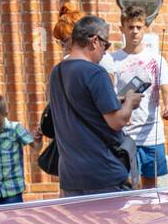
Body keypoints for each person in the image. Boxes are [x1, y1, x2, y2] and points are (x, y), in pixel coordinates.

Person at [46, 15, 144, 196]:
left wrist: (117, 101)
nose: (105, 52)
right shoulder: (95, 72)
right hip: (102, 173)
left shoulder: (56, 72)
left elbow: (82, 107)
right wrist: (129, 101)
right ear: (94, 41)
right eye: (105, 45)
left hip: (70, 176)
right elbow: (117, 121)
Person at [101, 5, 168, 189]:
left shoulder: (156, 59)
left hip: (152, 134)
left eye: (139, 27)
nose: (134, 31)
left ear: (145, 28)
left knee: (151, 186)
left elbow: (167, 90)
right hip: (126, 134)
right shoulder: (112, 60)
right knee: (129, 185)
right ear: (122, 29)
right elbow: (107, 93)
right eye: (130, 27)